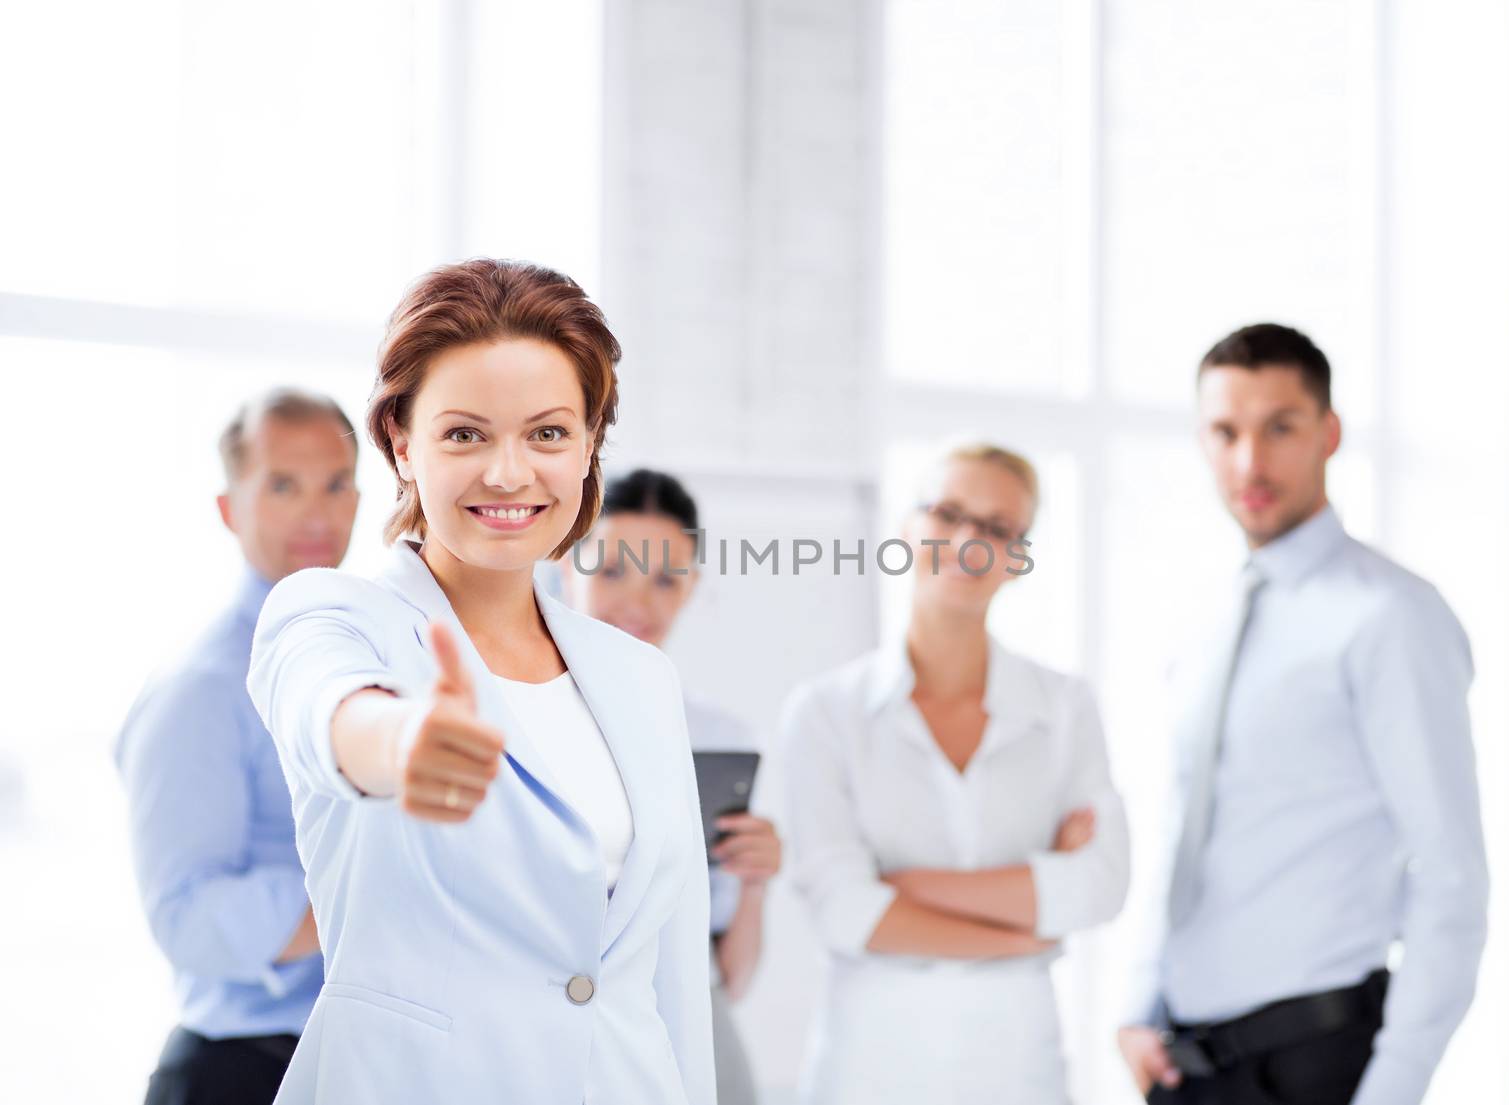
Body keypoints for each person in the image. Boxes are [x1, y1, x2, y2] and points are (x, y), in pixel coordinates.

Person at [245, 259, 715, 1104]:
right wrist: (397, 743)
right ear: (400, 441)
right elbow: (329, 708)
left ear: (588, 443)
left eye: (547, 433)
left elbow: (670, 978)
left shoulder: (640, 678)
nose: (508, 473)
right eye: (465, 434)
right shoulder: (334, 614)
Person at [1116, 323, 1489, 1105]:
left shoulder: (1391, 616)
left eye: (1279, 427)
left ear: (1329, 432)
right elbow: (1190, 822)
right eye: (1225, 431)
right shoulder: (1207, 618)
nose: (1249, 461)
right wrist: (1138, 1003)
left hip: (1316, 1065)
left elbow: (1451, 874)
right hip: (1188, 1065)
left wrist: (1393, 1087)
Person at [777, 442, 1130, 1105]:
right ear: (908, 528)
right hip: (870, 1066)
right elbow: (844, 909)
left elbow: (1100, 886)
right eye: (949, 512)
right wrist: (1029, 924)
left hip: (1017, 1067)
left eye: (998, 527)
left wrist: (909, 886)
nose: (970, 538)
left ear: (1020, 556)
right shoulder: (827, 711)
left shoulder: (1063, 706)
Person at [115, 388, 360, 1105]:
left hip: (348, 1067)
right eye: (283, 484)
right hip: (239, 1072)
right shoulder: (203, 687)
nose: (317, 511)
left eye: (338, 483)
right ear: (230, 509)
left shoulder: (377, 660)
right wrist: (368, 898)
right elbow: (187, 915)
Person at [562, 467, 782, 1105]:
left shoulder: (715, 735)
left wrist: (758, 881)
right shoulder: (519, 716)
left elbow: (733, 977)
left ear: (692, 589)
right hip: (567, 1020)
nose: (638, 602)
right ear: (564, 568)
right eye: (610, 572)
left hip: (693, 1021)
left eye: (665, 580)